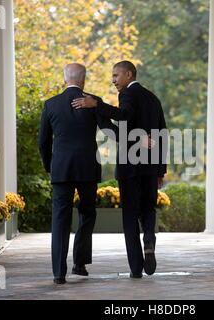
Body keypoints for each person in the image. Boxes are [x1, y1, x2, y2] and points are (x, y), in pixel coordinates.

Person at [73, 61, 167, 279]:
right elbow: (162, 133)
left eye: (116, 75)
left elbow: (123, 115)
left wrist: (96, 104)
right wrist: (161, 170)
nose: (113, 80)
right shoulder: (153, 99)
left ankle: (136, 267)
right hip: (151, 166)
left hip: (130, 167)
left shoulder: (127, 94)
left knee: (130, 216)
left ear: (128, 74)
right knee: (149, 210)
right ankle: (150, 244)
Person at [38, 63, 118, 285]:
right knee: (87, 213)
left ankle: (58, 272)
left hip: (61, 169)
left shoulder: (51, 105)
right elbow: (111, 132)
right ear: (83, 79)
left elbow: (43, 142)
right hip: (87, 168)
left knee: (60, 218)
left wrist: (50, 166)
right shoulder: (92, 102)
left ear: (65, 79)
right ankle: (79, 263)